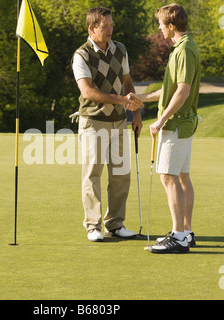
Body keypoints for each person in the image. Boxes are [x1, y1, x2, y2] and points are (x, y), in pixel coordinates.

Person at [133, 3, 201, 253]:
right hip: (183, 124)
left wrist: (161, 120)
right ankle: (185, 232)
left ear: (171, 26)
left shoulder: (183, 51)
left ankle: (179, 237)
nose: (160, 29)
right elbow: (170, 91)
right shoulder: (184, 47)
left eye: (161, 24)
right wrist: (143, 98)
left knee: (168, 177)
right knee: (182, 177)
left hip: (176, 125)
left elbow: (183, 91)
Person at [72, 7, 143, 242]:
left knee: (121, 174)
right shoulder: (81, 55)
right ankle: (93, 226)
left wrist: (137, 114)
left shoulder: (120, 50)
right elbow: (88, 91)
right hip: (93, 123)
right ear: (92, 29)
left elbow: (127, 81)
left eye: (111, 25)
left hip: (120, 122)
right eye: (105, 27)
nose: (110, 30)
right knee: (93, 174)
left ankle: (115, 223)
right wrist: (122, 100)